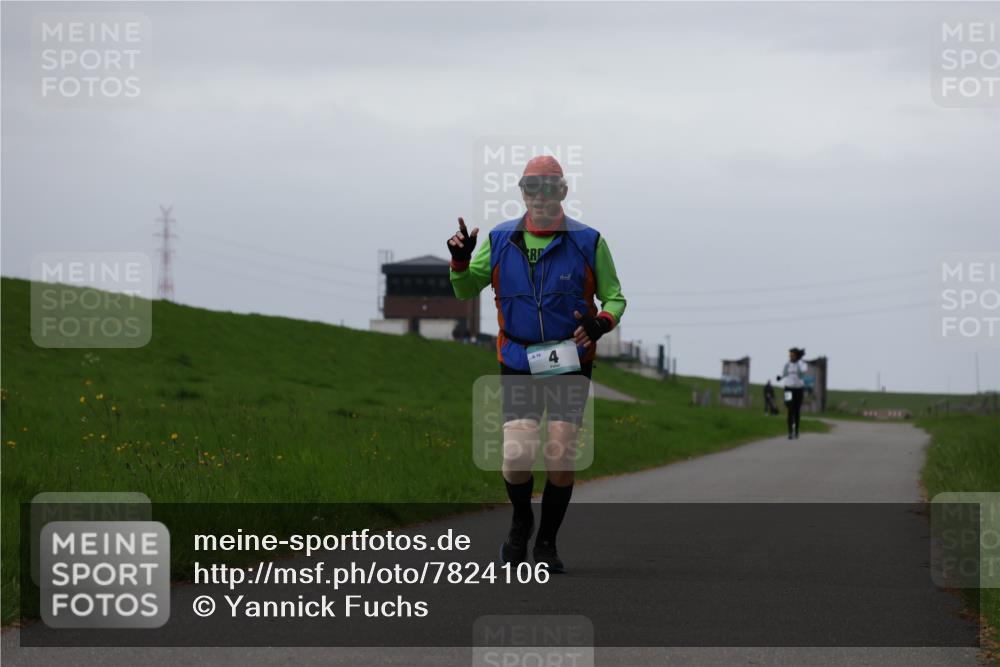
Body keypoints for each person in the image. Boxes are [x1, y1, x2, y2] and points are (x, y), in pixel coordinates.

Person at [447, 155, 627, 573]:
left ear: (563, 191)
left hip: (569, 357)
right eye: (531, 187)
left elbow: (615, 297)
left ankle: (546, 543)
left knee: (561, 454)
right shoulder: (498, 239)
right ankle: (521, 519)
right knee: (516, 454)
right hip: (518, 356)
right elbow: (465, 290)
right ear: (522, 193)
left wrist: (601, 323)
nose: (540, 195)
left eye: (549, 186)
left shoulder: (589, 241)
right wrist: (461, 260)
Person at [777, 347, 808, 439]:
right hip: (788, 389)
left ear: (797, 356)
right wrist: (780, 377)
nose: (790, 357)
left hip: (798, 389)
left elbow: (802, 373)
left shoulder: (802, 364)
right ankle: (790, 432)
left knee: (797, 410)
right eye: (790, 355)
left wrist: (797, 363)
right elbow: (784, 374)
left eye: (792, 355)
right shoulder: (787, 365)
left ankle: (796, 431)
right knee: (789, 409)